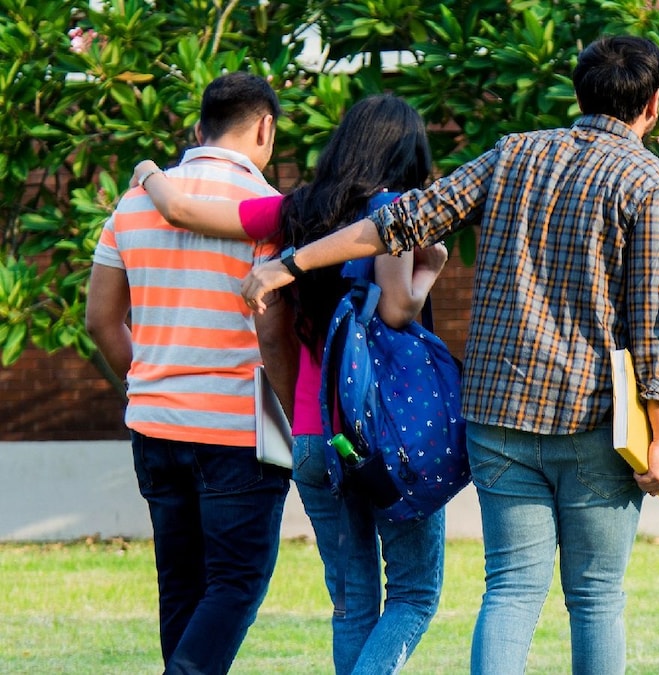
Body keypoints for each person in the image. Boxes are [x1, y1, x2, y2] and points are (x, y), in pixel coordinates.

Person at [240, 35, 659, 675]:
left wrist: (291, 263)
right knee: (594, 597)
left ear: (579, 93)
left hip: (497, 418)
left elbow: (401, 222)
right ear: (653, 104)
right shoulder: (653, 183)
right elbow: (649, 322)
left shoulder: (514, 154)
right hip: (595, 421)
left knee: (510, 590)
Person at [130, 94, 449, 675]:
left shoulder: (295, 211)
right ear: (409, 153)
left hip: (313, 435)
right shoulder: (397, 209)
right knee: (413, 596)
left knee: (351, 600)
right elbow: (400, 308)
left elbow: (182, 211)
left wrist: (150, 172)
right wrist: (432, 264)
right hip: (385, 434)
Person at [85, 71, 293, 674]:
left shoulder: (133, 204)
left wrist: (148, 378)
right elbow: (274, 332)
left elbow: (101, 320)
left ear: (198, 129)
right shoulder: (269, 212)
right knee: (236, 583)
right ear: (265, 128)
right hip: (238, 428)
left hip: (153, 422)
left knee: (180, 585)